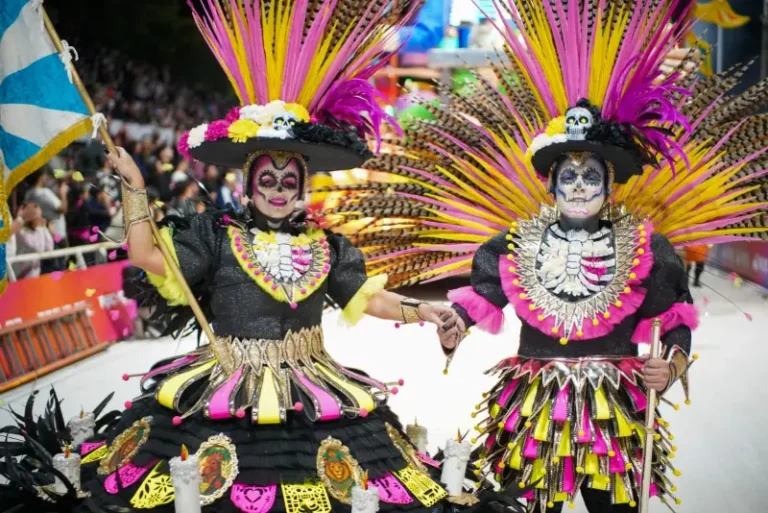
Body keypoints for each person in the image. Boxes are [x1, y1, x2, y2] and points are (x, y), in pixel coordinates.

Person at [0, 2, 515, 513]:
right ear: (247, 185)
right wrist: (135, 189)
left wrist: (422, 311)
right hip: (226, 382)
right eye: (266, 178)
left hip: (310, 386)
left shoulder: (326, 245)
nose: (277, 188)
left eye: (289, 180)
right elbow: (144, 255)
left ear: (302, 188)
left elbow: (368, 298)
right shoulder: (216, 236)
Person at [321, 0, 768, 510]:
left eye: (591, 176)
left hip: (613, 415)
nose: (579, 186)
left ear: (611, 186)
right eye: (568, 176)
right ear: (551, 184)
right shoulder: (515, 242)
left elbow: (675, 320)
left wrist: (672, 366)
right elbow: (484, 294)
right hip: (536, 410)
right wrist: (454, 324)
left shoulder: (646, 246)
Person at [6, 202, 54, 280]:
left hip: (34, 275)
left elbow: (49, 248)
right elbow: (38, 248)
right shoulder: (20, 231)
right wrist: (39, 228)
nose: (39, 218)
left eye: (40, 215)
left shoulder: (39, 230)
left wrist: (44, 228)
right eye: (35, 215)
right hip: (19, 275)